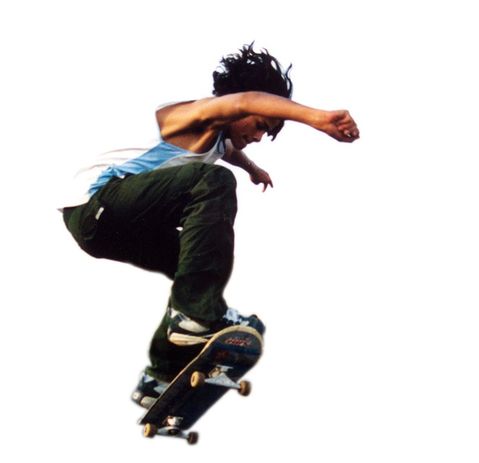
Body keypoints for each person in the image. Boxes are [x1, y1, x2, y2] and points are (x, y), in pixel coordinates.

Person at [61, 43, 359, 404]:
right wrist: (316, 118)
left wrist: (253, 169)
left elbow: (229, 151)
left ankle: (160, 375)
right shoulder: (190, 114)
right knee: (213, 182)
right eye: (260, 125)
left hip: (115, 230)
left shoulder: (217, 139)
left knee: (194, 267)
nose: (259, 137)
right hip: (97, 205)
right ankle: (194, 317)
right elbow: (244, 101)